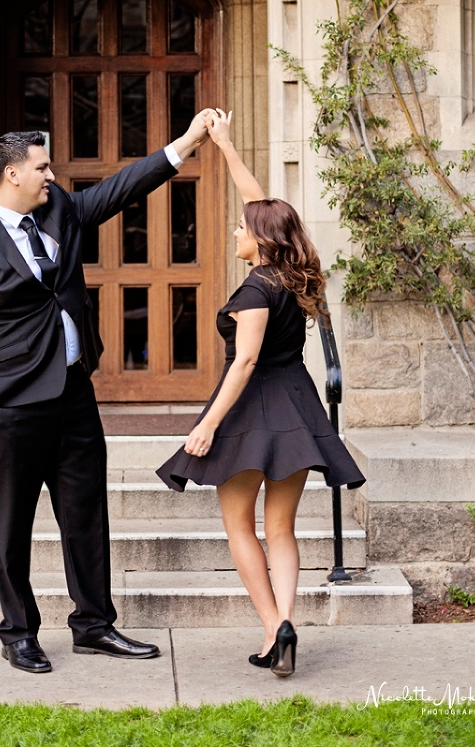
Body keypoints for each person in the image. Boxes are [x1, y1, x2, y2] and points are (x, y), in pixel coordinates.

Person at [0, 115, 211, 674]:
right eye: (42, 167)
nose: (52, 175)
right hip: (13, 406)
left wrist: (184, 145)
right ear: (12, 174)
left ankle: (94, 626)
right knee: (11, 525)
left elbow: (118, 189)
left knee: (86, 516)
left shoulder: (59, 210)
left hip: (75, 395)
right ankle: (18, 633)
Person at [156, 109, 365, 678]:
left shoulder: (253, 289)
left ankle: (273, 626)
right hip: (297, 406)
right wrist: (224, 145)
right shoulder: (298, 273)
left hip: (251, 410)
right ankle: (286, 623)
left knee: (240, 528)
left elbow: (244, 361)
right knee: (282, 530)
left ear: (260, 241)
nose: (236, 232)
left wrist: (206, 425)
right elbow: (265, 206)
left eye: (243, 230)